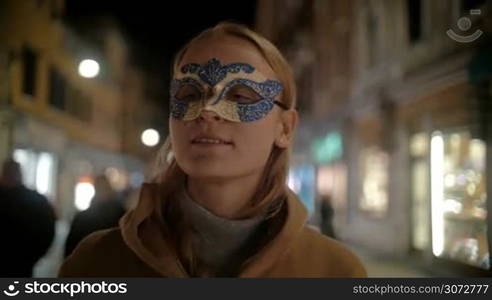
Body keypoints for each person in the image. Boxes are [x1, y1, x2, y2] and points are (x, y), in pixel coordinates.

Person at [59, 22, 366, 277]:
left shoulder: (335, 273)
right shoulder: (96, 263)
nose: (206, 110)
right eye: (190, 93)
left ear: (284, 128)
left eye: (241, 96)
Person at [0, 158, 56, 277]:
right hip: (24, 263)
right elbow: (48, 231)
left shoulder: (36, 201)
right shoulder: (37, 200)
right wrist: (33, 256)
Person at [64, 174, 126, 257]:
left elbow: (71, 249)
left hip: (87, 264)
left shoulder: (83, 217)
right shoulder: (122, 216)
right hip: (115, 264)